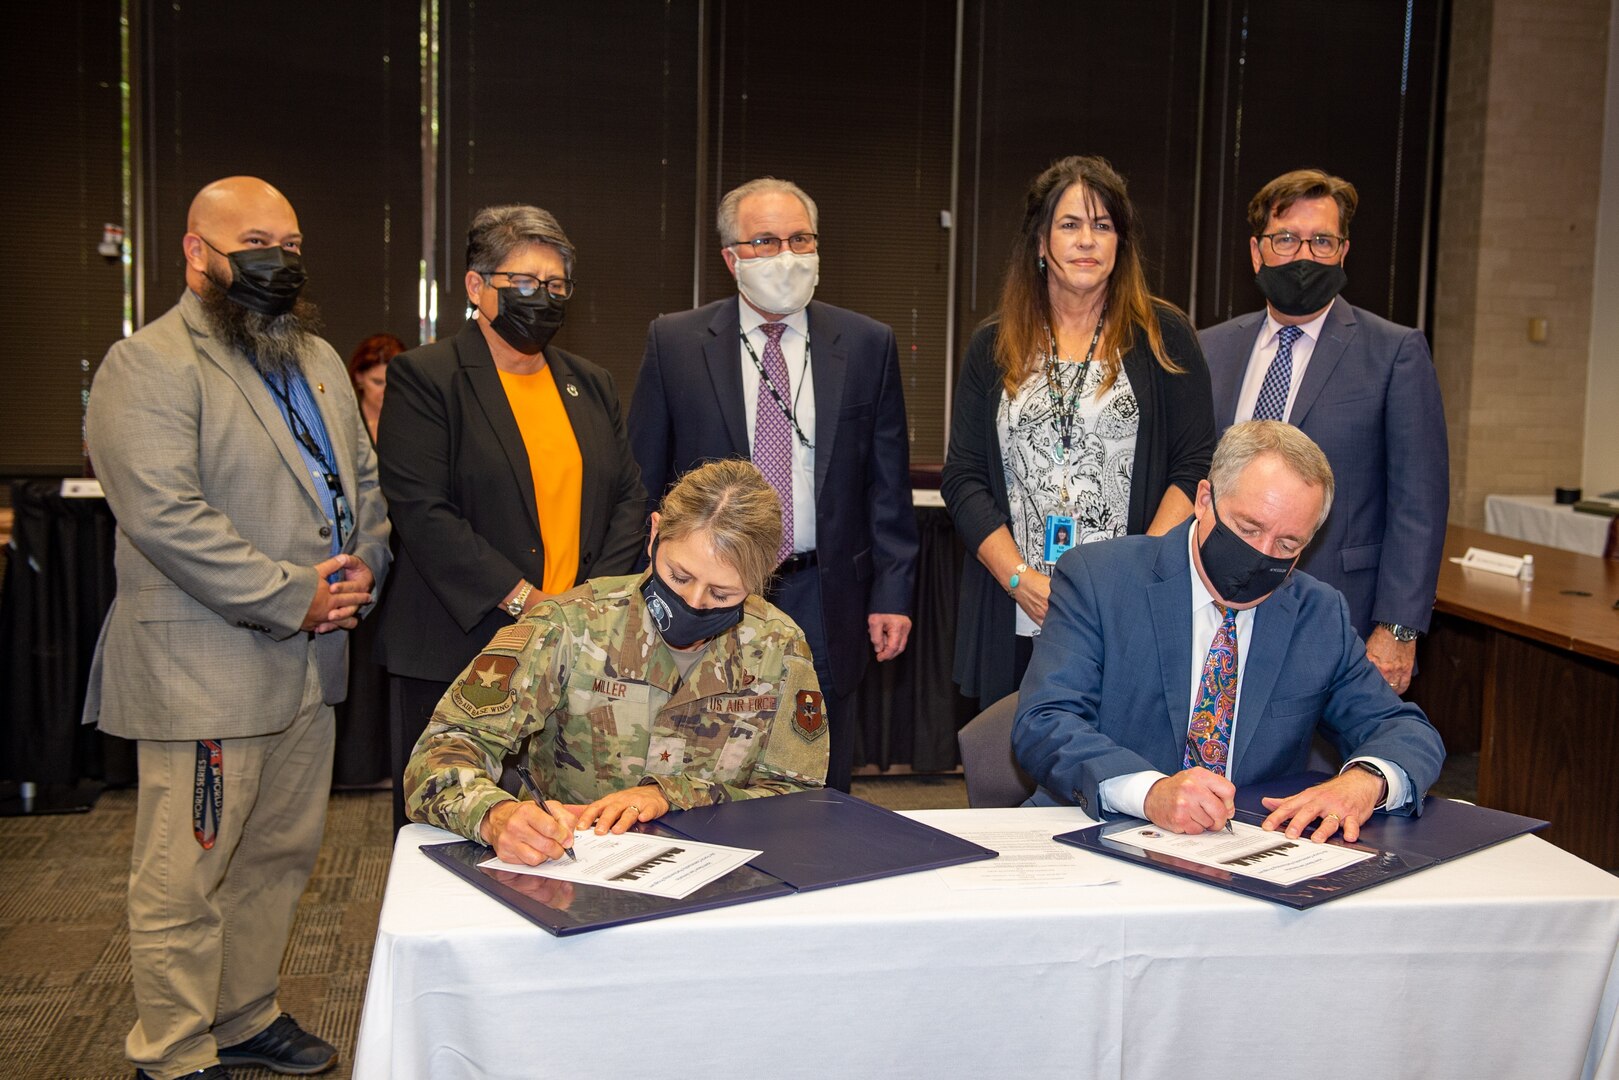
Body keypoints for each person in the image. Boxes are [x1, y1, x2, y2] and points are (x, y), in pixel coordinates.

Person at [83, 176, 391, 1079]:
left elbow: (363, 485)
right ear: (196, 250)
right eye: (256, 241)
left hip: (311, 662)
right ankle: (173, 1050)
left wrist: (364, 562)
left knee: (279, 857)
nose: (278, 261)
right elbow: (164, 515)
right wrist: (291, 593)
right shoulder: (147, 363)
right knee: (186, 874)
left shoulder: (321, 360)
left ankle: (245, 1013)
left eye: (291, 245)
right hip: (206, 663)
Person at [1013, 421, 1445, 841]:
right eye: (1248, 528)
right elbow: (1045, 719)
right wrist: (1148, 793)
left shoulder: (1317, 614)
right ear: (1205, 500)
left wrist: (1364, 782)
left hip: (1246, 852)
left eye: (1287, 545)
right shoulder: (1101, 579)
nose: (1261, 555)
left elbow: (1405, 729)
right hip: (1096, 834)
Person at [628, 177, 918, 792]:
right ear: (731, 257)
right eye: (765, 240)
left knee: (820, 760)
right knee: (704, 748)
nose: (787, 254)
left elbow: (886, 485)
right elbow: (643, 480)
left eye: (800, 238)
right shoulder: (675, 343)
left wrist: (892, 590)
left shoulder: (867, 344)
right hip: (708, 591)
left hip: (825, 586)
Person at [405, 459, 828, 862]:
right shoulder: (569, 626)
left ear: (764, 574)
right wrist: (495, 817)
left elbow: (800, 800)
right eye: (679, 576)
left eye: (722, 594)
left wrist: (673, 796)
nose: (694, 603)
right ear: (654, 534)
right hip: (570, 872)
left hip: (719, 880)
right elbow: (439, 753)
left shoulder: (781, 646)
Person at [376, 204, 646, 831]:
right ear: (477, 287)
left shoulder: (591, 382)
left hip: (575, 650)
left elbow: (629, 500)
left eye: (556, 286)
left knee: (564, 830)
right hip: (457, 644)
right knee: (452, 832)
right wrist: (528, 601)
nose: (542, 298)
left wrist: (584, 604)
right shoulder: (426, 377)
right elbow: (423, 511)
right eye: (524, 283)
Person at [942, 155, 1217, 709]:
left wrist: (1135, 575)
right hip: (1017, 605)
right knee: (1010, 769)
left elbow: (1195, 466)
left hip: (1130, 607)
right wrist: (1020, 581)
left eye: (1102, 225)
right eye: (1070, 224)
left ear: (1120, 243)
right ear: (1041, 242)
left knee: (1120, 775)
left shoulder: (1164, 336)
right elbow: (965, 478)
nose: (1086, 240)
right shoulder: (993, 344)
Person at [1199, 168, 1448, 696]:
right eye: (1286, 239)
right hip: (1214, 602)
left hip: (1340, 614)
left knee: (1317, 770)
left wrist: (1398, 629)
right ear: (1256, 251)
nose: (1304, 255)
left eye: (1322, 240)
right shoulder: (1211, 349)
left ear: (1343, 251)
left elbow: (1418, 503)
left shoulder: (1394, 352)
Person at [348, 331, 404, 443]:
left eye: (393, 383)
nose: (385, 391)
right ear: (359, 377)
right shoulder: (346, 421)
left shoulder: (411, 422)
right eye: (378, 382)